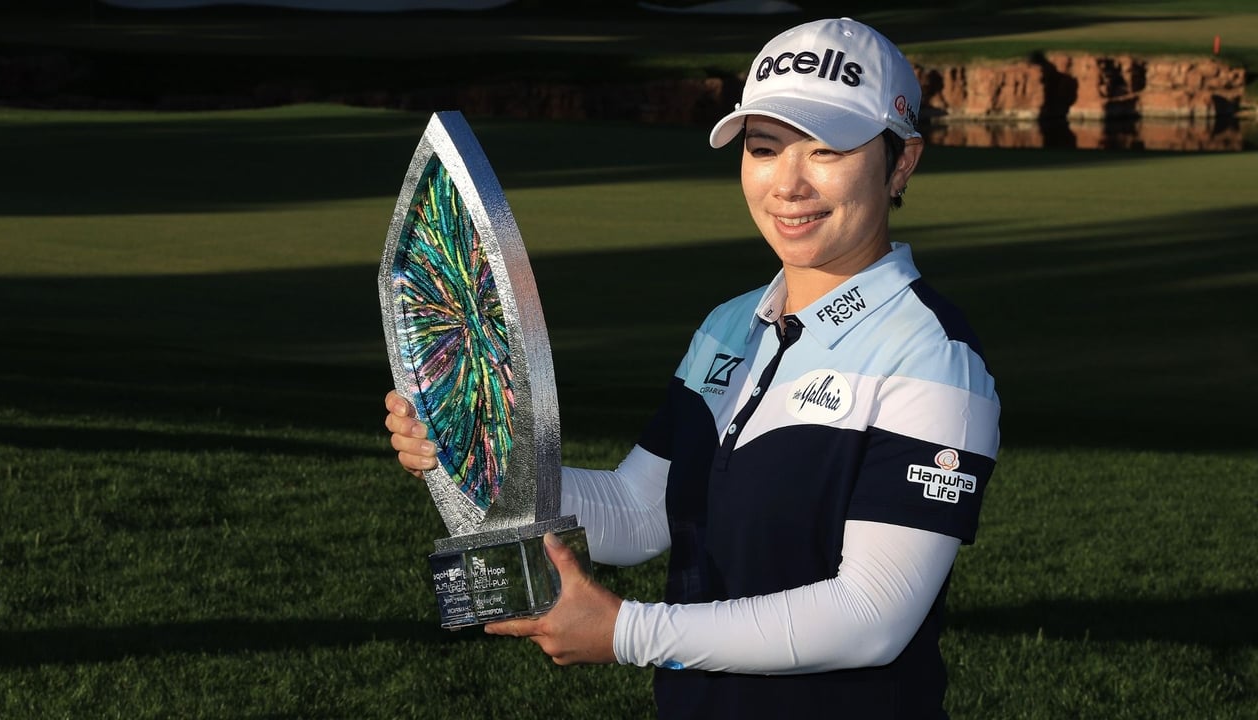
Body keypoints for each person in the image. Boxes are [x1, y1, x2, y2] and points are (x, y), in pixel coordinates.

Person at [385, 17, 1000, 719]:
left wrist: (626, 632)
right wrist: (476, 453)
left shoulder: (933, 357)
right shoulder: (729, 325)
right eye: (765, 148)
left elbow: (873, 616)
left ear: (901, 163)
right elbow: (641, 510)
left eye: (827, 149)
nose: (788, 184)